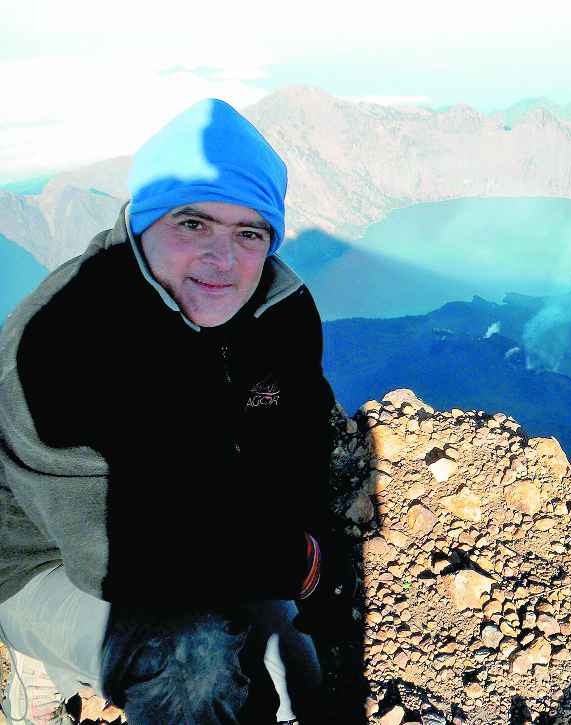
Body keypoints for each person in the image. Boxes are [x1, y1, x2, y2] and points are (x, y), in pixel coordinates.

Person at [0, 98, 352, 723]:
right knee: (194, 659)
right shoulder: (58, 341)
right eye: (192, 225)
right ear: (141, 221)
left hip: (199, 524)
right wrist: (292, 559)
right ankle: (43, 663)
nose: (223, 260)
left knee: (300, 670)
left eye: (250, 232)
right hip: (43, 560)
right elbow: (112, 557)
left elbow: (300, 434)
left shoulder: (278, 308)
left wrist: (295, 552)